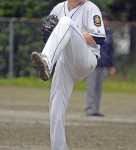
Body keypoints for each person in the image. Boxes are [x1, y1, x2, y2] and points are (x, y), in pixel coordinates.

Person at [31, 0, 106, 149]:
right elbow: (49, 38)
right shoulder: (58, 8)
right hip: (64, 62)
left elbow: (99, 37)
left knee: (66, 22)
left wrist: (71, 34)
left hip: (86, 58)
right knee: (56, 104)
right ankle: (59, 147)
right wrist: (48, 34)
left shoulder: (90, 8)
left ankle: (46, 60)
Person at [85, 12, 116, 117]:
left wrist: (112, 65)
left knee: (99, 88)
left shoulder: (109, 34)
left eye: (107, 20)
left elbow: (111, 51)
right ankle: (89, 109)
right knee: (91, 87)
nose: (105, 22)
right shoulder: (93, 32)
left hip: (104, 65)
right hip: (93, 64)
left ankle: (96, 109)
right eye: (104, 19)